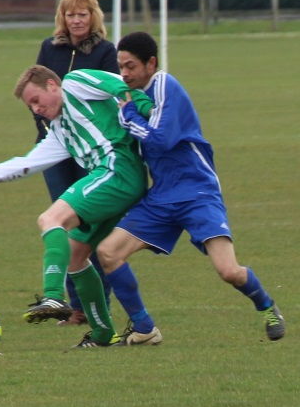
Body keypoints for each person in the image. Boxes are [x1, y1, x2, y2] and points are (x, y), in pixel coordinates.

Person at [0, 66, 155, 348]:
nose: (36, 109)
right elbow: (26, 164)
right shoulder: (59, 130)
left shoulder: (75, 83)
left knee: (51, 219)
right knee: (76, 255)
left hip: (118, 168)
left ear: (53, 86)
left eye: (36, 100)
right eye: (30, 106)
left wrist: (147, 106)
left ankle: (53, 296)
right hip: (116, 180)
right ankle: (104, 334)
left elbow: (118, 84)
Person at [97, 32, 285, 345]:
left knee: (228, 271)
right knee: (108, 252)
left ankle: (266, 306)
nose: (124, 73)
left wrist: (127, 113)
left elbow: (160, 140)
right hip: (161, 196)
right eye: (121, 67)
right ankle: (145, 328)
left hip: (197, 191)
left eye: (131, 66)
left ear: (151, 63)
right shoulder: (134, 96)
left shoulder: (164, 85)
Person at [34, 0, 119, 327]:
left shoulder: (105, 51)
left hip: (91, 152)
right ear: (62, 18)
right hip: (56, 150)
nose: (77, 20)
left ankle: (95, 305)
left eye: (82, 14)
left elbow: (111, 98)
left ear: (93, 16)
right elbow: (36, 93)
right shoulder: (49, 48)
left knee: (91, 227)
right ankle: (72, 306)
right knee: (62, 225)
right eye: (71, 15)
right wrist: (48, 129)